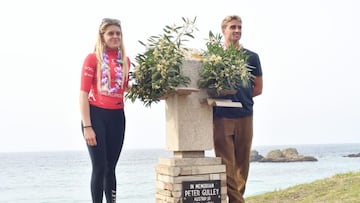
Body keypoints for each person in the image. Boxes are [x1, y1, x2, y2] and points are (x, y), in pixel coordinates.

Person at [212, 15, 263, 203]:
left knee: (242, 165)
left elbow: (258, 88)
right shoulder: (214, 57)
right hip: (221, 116)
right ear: (223, 30)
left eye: (239, 27)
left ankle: (235, 199)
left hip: (245, 115)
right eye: (233, 27)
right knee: (226, 165)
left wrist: (241, 98)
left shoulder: (252, 57)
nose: (237, 31)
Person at [79, 18, 130, 203]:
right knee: (99, 167)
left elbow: (123, 87)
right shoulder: (92, 59)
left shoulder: (126, 61)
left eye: (118, 33)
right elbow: (83, 94)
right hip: (95, 116)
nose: (115, 36)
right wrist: (87, 126)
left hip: (117, 117)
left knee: (111, 168)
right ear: (102, 36)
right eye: (111, 33)